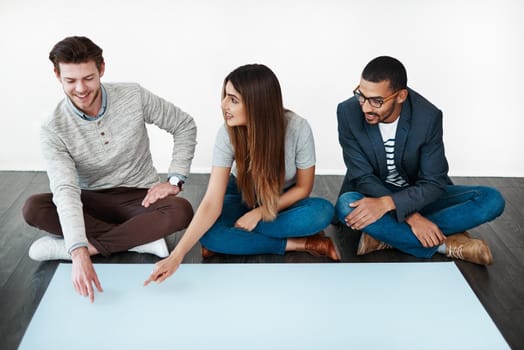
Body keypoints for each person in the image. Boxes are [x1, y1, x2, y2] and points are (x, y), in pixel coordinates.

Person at [22, 36, 197, 301]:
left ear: (101, 69)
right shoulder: (52, 127)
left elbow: (183, 124)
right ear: (57, 75)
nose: (81, 88)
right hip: (88, 200)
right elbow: (65, 189)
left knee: (180, 210)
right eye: (70, 80)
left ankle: (81, 246)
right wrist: (78, 251)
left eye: (88, 78)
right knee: (34, 207)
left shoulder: (132, 95)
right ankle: (140, 240)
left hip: (140, 196)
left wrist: (174, 179)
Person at [145, 64, 339, 284]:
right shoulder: (226, 133)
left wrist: (260, 213)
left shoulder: (298, 128)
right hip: (242, 195)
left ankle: (238, 238)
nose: (223, 105)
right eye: (225, 97)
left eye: (233, 100)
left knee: (322, 212)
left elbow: (304, 188)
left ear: (258, 104)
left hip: (280, 201)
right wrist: (176, 256)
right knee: (209, 234)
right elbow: (211, 203)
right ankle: (302, 243)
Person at [334, 56, 505, 265]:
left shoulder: (427, 117)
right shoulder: (347, 111)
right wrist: (412, 218)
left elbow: (434, 181)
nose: (365, 108)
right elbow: (361, 176)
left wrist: (393, 205)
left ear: (401, 96)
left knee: (492, 200)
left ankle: (386, 237)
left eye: (376, 101)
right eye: (361, 96)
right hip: (372, 193)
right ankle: (446, 245)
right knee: (346, 206)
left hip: (417, 195)